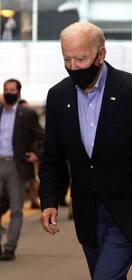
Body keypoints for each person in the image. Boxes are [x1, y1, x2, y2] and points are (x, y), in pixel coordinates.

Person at [39, 22, 132, 279]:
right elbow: (52, 156)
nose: (73, 67)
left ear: (101, 54)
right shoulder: (58, 96)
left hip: (130, 209)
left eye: (81, 59)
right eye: (67, 59)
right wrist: (49, 200)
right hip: (87, 212)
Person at [0, 79, 44, 261]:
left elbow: (42, 137)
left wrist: (37, 154)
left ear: (18, 93)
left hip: (16, 166)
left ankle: (10, 247)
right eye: (6, 89)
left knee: (16, 209)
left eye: (12, 89)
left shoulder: (28, 114)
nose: (9, 92)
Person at [17, 99, 42, 209]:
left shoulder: (30, 119)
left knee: (33, 179)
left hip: (29, 154)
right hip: (16, 157)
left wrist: (37, 153)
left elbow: (40, 136)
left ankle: (33, 199)